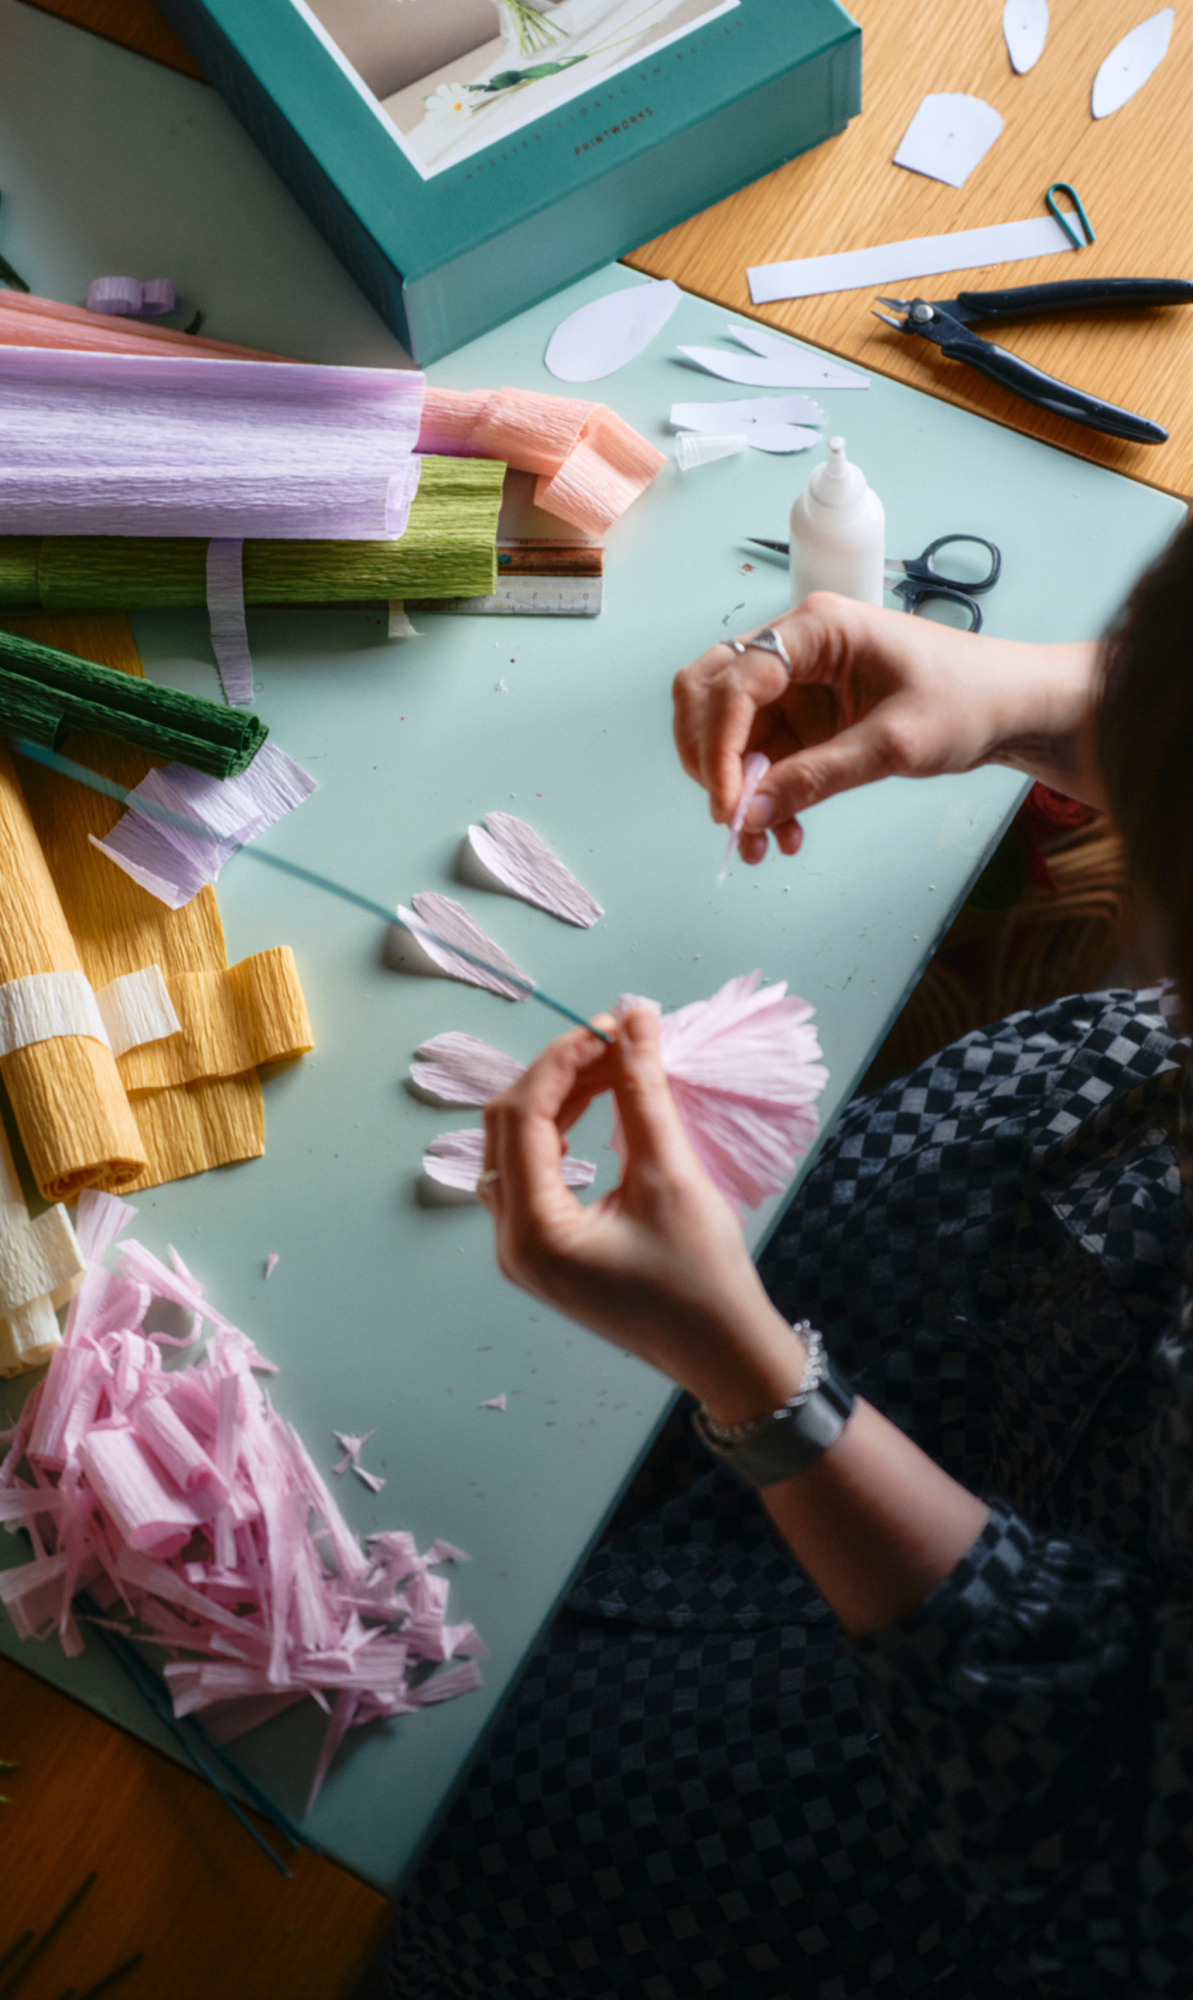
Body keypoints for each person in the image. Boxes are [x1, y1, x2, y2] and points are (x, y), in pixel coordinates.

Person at [384, 517, 1192, 1998]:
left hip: (962, 1758)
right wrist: (1028, 696)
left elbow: (1120, 1847)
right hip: (972, 1305)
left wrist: (759, 1382)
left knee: (452, 1810)